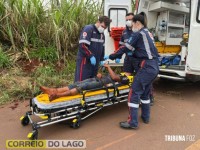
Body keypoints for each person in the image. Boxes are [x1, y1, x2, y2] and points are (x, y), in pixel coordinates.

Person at [105, 14, 159, 129]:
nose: (131, 25)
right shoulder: (147, 33)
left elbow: (125, 47)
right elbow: (143, 49)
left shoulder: (138, 33)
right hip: (154, 66)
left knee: (134, 92)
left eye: (132, 23)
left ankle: (132, 122)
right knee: (145, 93)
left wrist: (112, 56)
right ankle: (146, 117)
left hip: (146, 66)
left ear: (137, 23)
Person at [40, 64, 131, 101]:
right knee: (77, 83)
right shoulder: (122, 74)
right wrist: (101, 75)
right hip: (99, 79)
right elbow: (112, 76)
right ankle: (52, 90)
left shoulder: (126, 79)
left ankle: (57, 96)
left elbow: (114, 77)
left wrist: (108, 67)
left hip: (102, 84)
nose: (125, 69)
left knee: (83, 86)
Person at [74, 16, 111, 82]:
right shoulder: (89, 29)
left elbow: (102, 48)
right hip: (85, 61)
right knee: (81, 82)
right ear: (98, 22)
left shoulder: (102, 34)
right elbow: (82, 45)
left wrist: (102, 59)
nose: (103, 29)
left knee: (92, 83)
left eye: (105, 28)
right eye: (102, 26)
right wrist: (90, 56)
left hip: (95, 63)